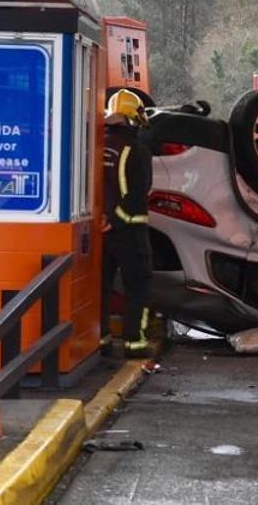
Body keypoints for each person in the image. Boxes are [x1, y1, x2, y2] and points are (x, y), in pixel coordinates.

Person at [101, 88, 154, 357]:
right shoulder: (136, 150)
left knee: (100, 287)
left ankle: (101, 341)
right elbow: (137, 194)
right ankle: (135, 344)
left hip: (100, 231)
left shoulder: (97, 145)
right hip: (130, 231)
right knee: (139, 286)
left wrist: (104, 221)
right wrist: (117, 220)